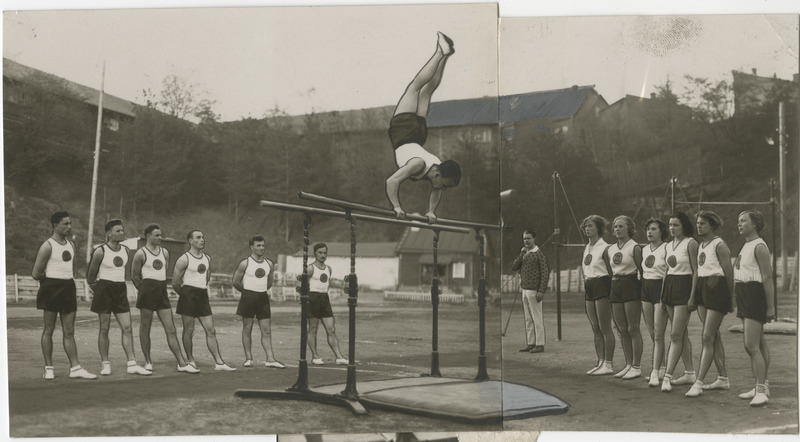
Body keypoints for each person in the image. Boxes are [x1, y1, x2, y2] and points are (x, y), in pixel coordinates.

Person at [386, 32, 462, 223]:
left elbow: (436, 191)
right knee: (416, 87)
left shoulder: (437, 166)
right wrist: (397, 207)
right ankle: (440, 53)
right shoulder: (419, 164)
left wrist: (431, 212)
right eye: (444, 185)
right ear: (437, 174)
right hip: (404, 131)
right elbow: (391, 181)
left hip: (418, 136)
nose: (441, 189)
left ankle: (445, 55)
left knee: (426, 91)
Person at [32, 211, 97, 380]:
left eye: (70, 224)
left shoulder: (71, 245)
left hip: (68, 287)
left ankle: (75, 368)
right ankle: (49, 367)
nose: (69, 227)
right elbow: (36, 273)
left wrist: (65, 281)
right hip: (51, 288)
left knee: (69, 330)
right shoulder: (47, 246)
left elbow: (72, 269)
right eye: (65, 224)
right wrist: (52, 282)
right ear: (55, 225)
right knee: (49, 329)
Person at [130, 224, 199, 374]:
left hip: (161, 292)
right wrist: (144, 291)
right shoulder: (140, 254)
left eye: (161, 235)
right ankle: (148, 361)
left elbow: (164, 271)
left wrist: (157, 289)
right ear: (148, 236)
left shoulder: (165, 252)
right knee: (145, 328)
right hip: (147, 292)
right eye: (157, 235)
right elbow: (135, 276)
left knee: (171, 329)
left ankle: (181, 363)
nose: (160, 238)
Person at [87, 219, 151, 376]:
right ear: (109, 233)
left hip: (120, 289)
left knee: (127, 328)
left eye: (122, 230)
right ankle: (105, 363)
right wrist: (98, 289)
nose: (121, 233)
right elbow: (90, 276)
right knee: (104, 328)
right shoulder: (100, 251)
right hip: (104, 289)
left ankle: (132, 363)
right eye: (118, 231)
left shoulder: (126, 251)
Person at [172, 230, 236, 372]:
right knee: (189, 330)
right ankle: (190, 360)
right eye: (198, 237)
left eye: (203, 237)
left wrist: (200, 291)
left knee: (210, 330)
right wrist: (185, 295)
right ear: (190, 241)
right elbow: (175, 282)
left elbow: (207, 277)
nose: (202, 240)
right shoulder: (184, 259)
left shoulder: (207, 258)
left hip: (202, 295)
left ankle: (219, 362)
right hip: (188, 294)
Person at [685, 211, 734, 397]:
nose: (699, 226)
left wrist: (730, 299)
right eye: (697, 223)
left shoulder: (720, 245)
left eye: (703, 223)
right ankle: (723, 378)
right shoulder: (701, 245)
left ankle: (698, 382)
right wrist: (694, 295)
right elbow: (698, 271)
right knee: (713, 336)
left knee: (707, 337)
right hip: (702, 289)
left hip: (717, 288)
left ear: (712, 226)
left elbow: (729, 273)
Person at [733, 210, 774, 406]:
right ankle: (762, 385)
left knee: (751, 345)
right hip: (744, 294)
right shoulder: (747, 244)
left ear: (754, 224)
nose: (739, 224)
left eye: (743, 221)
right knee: (759, 344)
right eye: (738, 221)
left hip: (754, 295)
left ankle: (761, 390)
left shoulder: (759, 246)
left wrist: (770, 307)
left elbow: (767, 278)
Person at [232, 235, 285, 369]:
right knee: (247, 328)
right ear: (251, 247)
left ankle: (270, 359)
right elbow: (235, 282)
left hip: (263, 298)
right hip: (248, 297)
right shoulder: (245, 263)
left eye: (263, 245)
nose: (261, 248)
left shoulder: (269, 264)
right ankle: (248, 358)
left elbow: (269, 282)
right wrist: (247, 293)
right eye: (258, 246)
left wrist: (260, 291)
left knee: (266, 330)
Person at [660, 212, 698, 392]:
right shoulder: (668, 245)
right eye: (670, 225)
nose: (672, 228)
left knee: (675, 335)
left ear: (683, 225)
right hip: (670, 288)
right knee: (681, 335)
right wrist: (662, 295)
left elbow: (696, 272)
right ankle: (690, 373)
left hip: (684, 287)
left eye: (676, 225)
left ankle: (667, 376)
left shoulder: (691, 243)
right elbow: (667, 270)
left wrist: (692, 296)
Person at [604, 216, 644, 380]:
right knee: (621, 329)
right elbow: (610, 270)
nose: (617, 229)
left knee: (632, 328)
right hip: (616, 285)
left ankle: (636, 366)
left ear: (629, 228)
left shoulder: (635, 248)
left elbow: (643, 270)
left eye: (621, 226)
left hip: (631, 285)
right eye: (615, 227)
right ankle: (628, 364)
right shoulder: (610, 249)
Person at [581, 215, 615, 375]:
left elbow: (611, 271)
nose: (587, 229)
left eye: (590, 226)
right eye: (586, 226)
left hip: (602, 284)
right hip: (589, 285)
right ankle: (600, 361)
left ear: (599, 229)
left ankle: (608, 363)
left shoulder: (606, 248)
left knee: (605, 327)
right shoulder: (587, 247)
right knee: (595, 328)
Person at [306, 243, 347, 365]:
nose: (322, 255)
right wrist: (305, 299)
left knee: (331, 329)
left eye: (324, 253)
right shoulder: (310, 268)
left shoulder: (328, 268)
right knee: (313, 329)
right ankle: (315, 356)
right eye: (320, 253)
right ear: (315, 254)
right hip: (313, 298)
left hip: (324, 298)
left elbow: (326, 284)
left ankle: (339, 357)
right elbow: (301, 284)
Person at [510, 229, 549, 353]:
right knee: (528, 318)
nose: (526, 241)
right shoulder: (524, 254)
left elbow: (545, 273)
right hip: (524, 290)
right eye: (524, 239)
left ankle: (540, 343)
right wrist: (521, 254)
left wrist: (541, 291)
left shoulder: (539, 254)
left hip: (534, 290)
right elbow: (514, 267)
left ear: (534, 239)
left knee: (537, 317)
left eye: (528, 238)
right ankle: (531, 342)